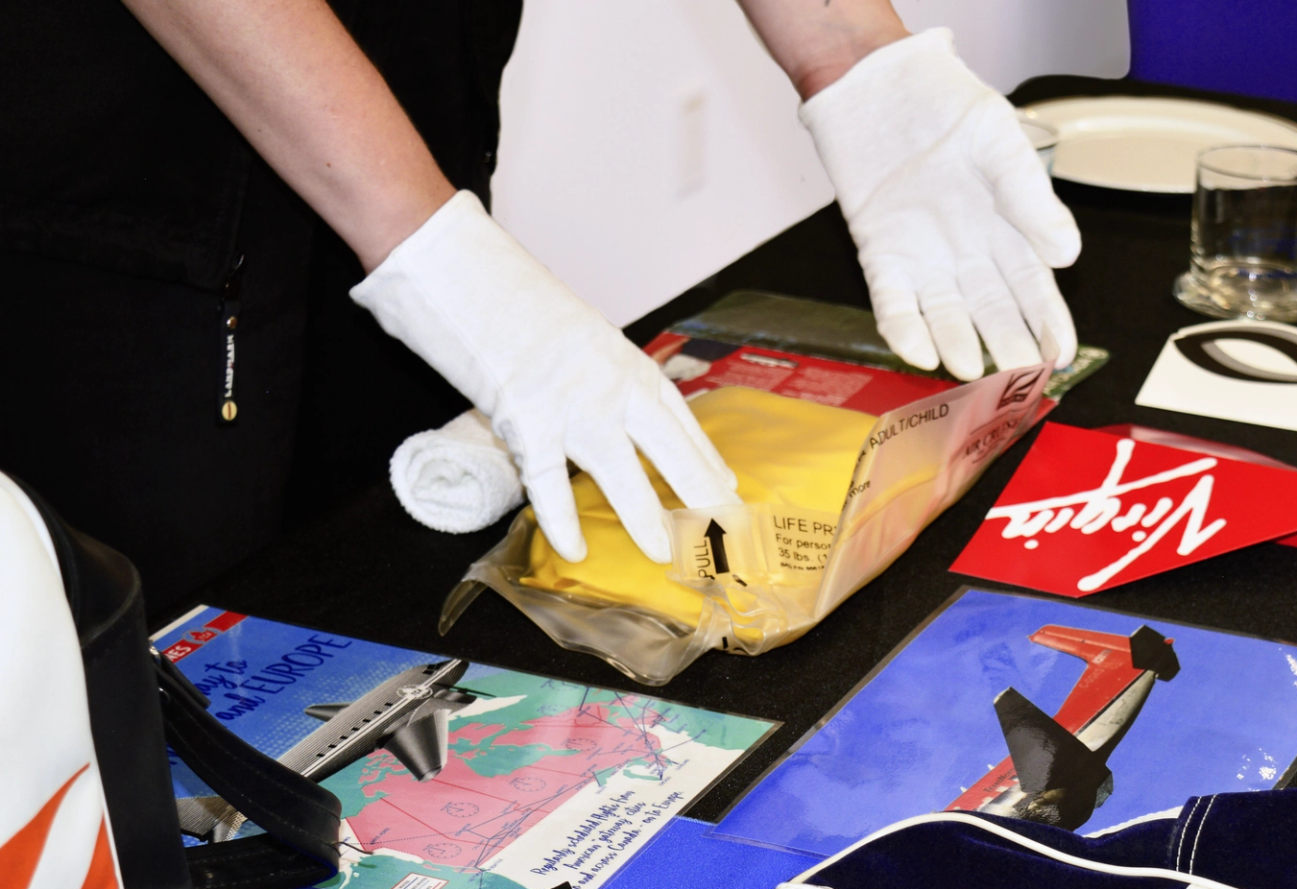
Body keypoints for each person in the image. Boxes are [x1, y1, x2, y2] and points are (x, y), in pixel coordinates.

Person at [0, 0, 1079, 609]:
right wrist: (432, 251)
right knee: (163, 685)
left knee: (396, 591)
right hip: (140, 165)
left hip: (408, 88)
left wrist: (851, 55)